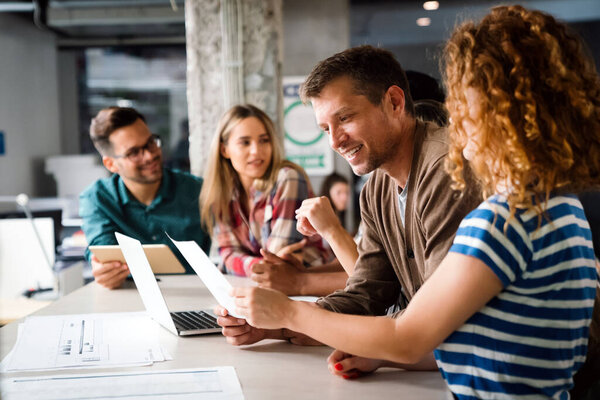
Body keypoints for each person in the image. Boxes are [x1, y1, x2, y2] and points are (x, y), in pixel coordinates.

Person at [230, 6, 600, 399]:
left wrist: (290, 312)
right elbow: (483, 335)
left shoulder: (500, 220)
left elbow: (409, 336)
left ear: (498, 116)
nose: (453, 118)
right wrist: (296, 326)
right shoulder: (561, 207)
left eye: (464, 104)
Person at [216, 45, 481, 346]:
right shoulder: (375, 189)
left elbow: (437, 319)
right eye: (325, 128)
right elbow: (365, 296)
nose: (335, 141)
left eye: (344, 118)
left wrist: (292, 315)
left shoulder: (446, 169)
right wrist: (273, 325)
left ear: (394, 102)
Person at [199, 104, 346, 296]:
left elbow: (277, 262)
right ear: (224, 149)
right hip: (262, 290)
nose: (256, 151)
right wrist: (257, 266)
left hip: (313, 293)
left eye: (264, 140)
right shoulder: (221, 193)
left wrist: (240, 263)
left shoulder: (288, 178)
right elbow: (227, 255)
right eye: (245, 142)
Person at [80, 107, 211, 289]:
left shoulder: (198, 191)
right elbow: (104, 252)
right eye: (134, 153)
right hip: (129, 296)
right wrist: (104, 269)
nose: (150, 155)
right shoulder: (97, 199)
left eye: (150, 143)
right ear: (111, 164)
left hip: (194, 296)